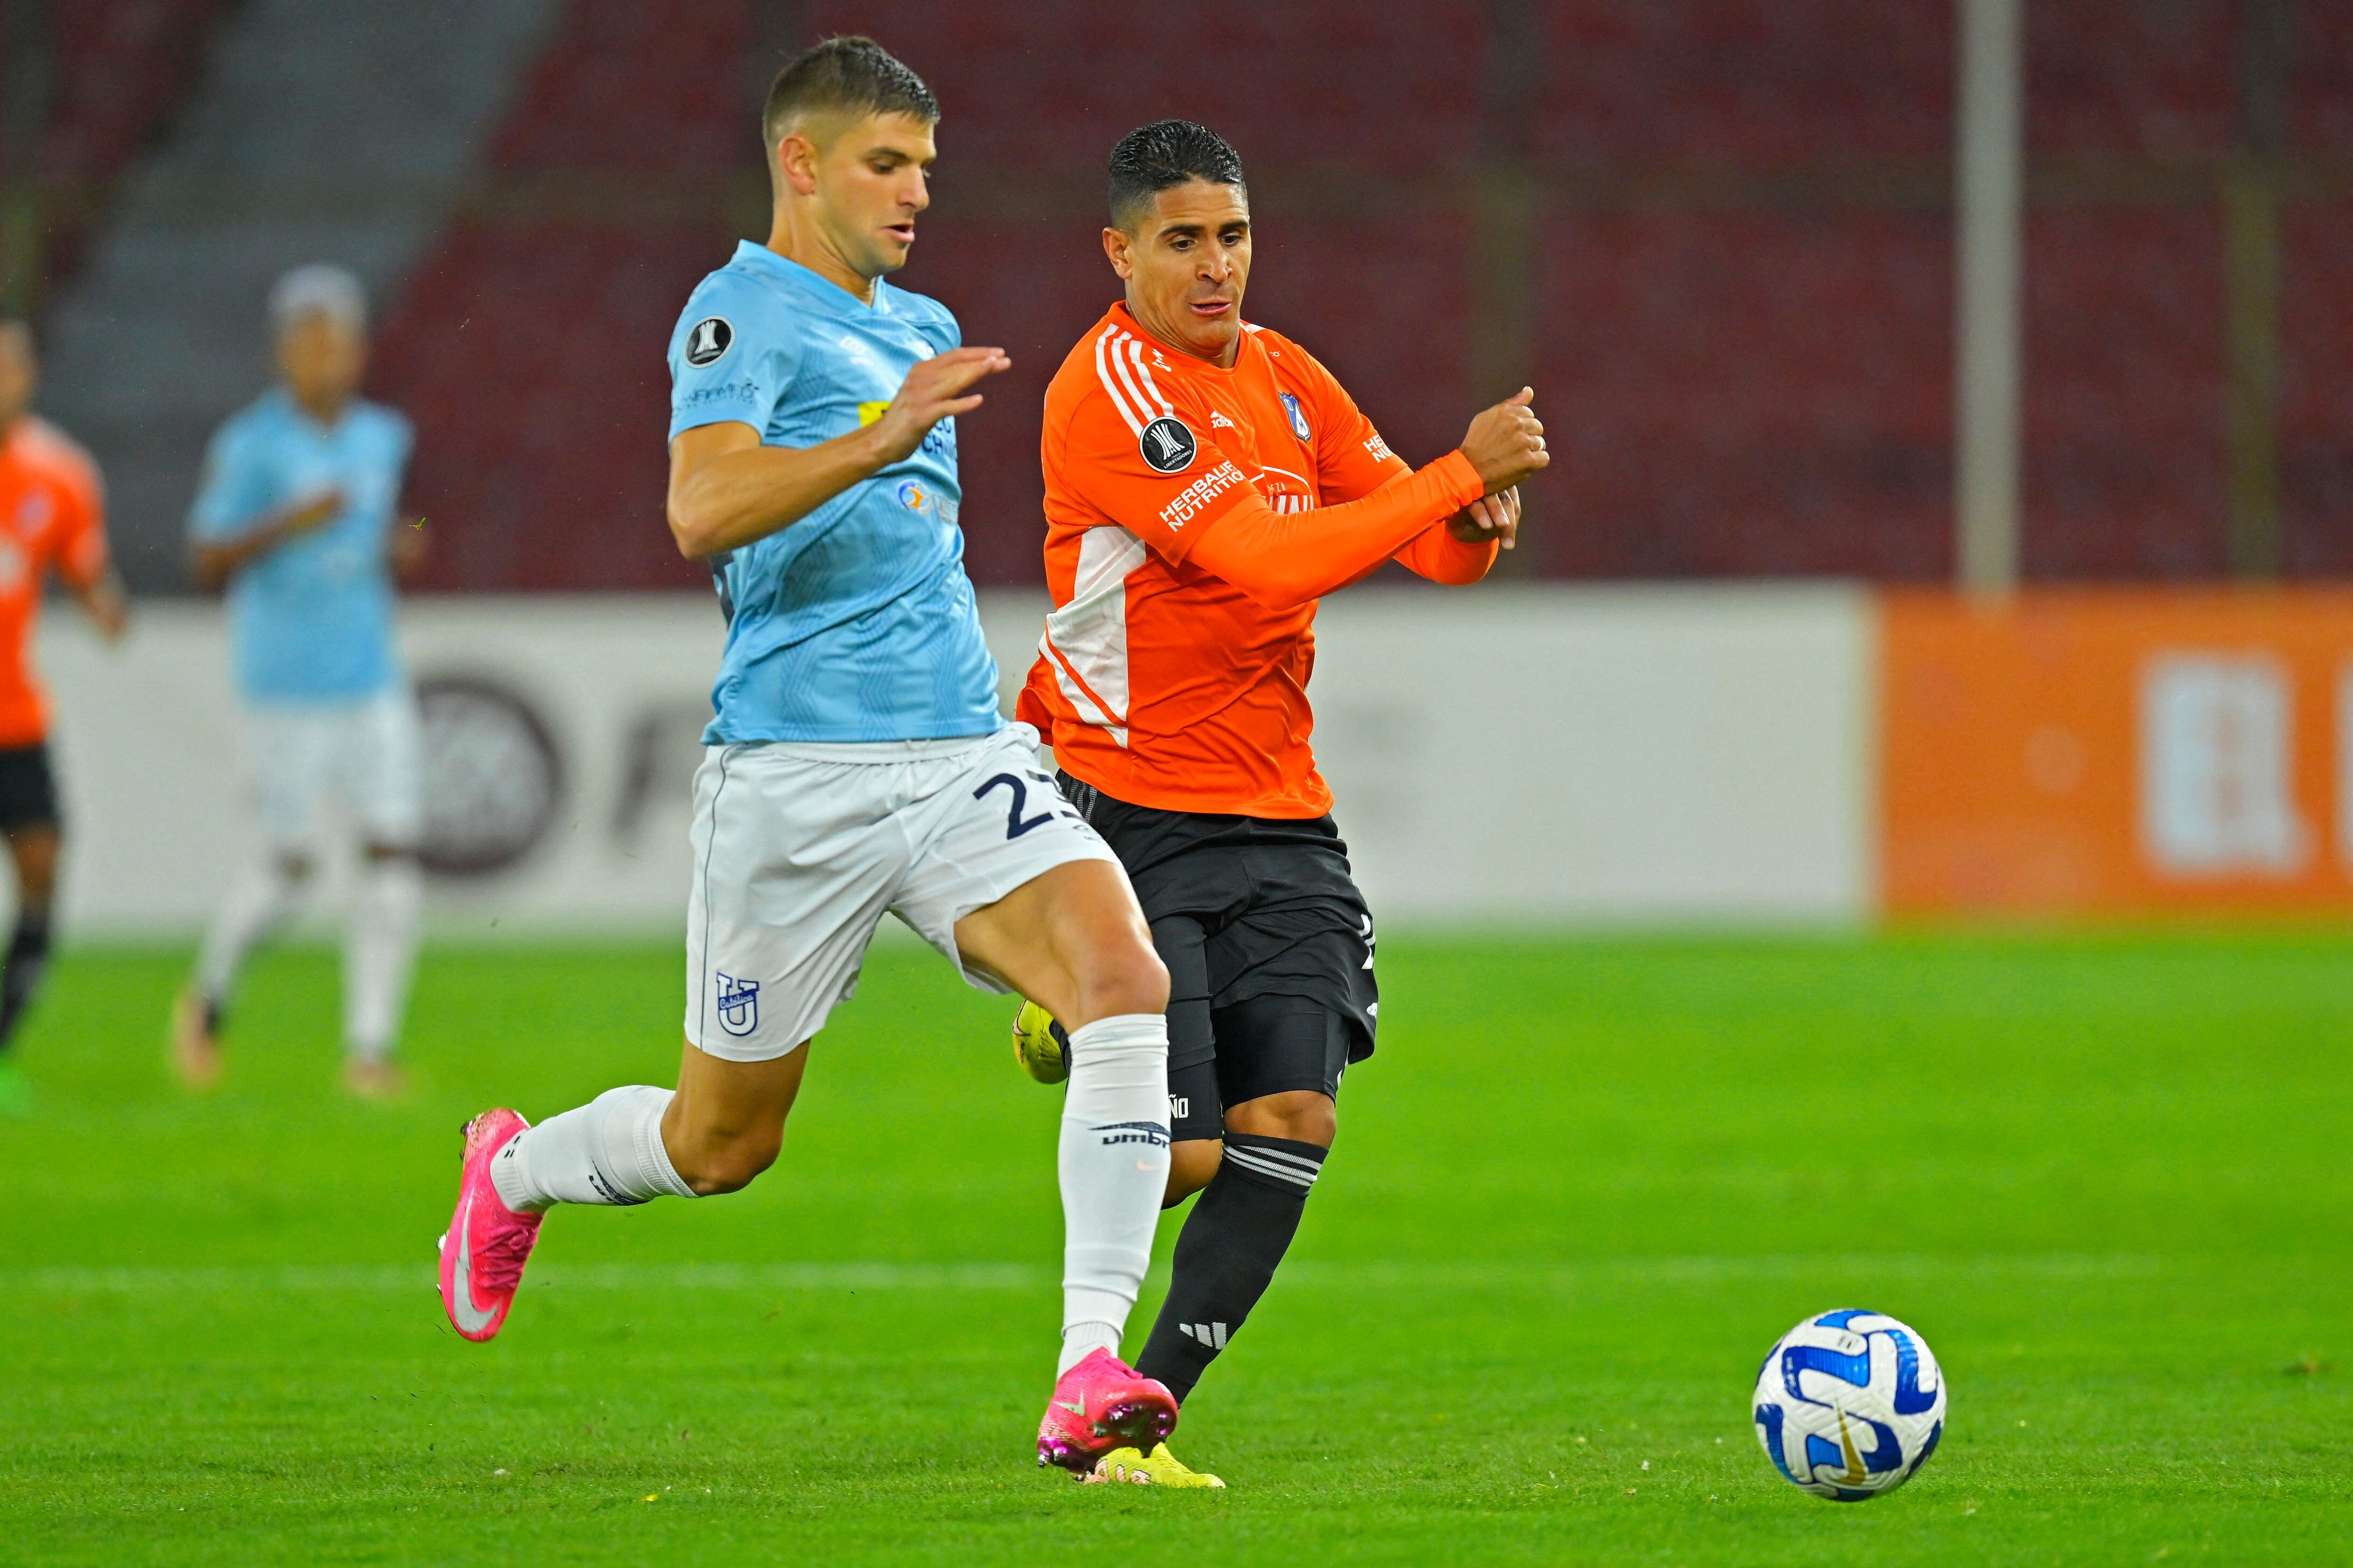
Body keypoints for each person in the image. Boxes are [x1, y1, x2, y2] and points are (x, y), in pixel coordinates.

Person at [435, 38, 1182, 1476]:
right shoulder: (738, 318)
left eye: (926, 168)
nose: (916, 193)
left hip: (960, 756)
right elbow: (700, 511)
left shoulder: (925, 321)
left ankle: (1090, 1365)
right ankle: (514, 1167)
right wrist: (876, 434)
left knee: (1121, 977)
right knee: (724, 1146)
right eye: (885, 164)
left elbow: (916, 550)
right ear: (801, 163)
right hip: (794, 780)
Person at [1012, 119, 1547, 1486]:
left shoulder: (1290, 378)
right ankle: (1063, 993)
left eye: (1234, 235)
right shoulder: (1109, 391)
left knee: (1294, 1123)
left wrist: (1471, 522)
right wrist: (1455, 472)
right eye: (1182, 239)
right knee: (1184, 1148)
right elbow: (1261, 559)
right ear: (1119, 250)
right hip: (1124, 799)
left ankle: (1136, 1414)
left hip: (1281, 810)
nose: (1214, 266)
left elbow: (1418, 540)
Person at [172, 265, 428, 1101]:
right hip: (285, 681)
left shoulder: (383, 435)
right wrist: (290, 521)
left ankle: (369, 1048)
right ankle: (209, 997)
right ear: (284, 352)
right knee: (291, 867)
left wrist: (405, 541)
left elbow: (407, 517)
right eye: (309, 340)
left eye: (339, 341)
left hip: (370, 671)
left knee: (392, 847)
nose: (326, 357)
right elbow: (205, 559)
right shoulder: (250, 446)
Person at [0, 311, 128, 1112]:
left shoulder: (60, 474)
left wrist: (103, 607)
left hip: (15, 716)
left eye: (9, 365)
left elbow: (85, 571)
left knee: (44, 868)